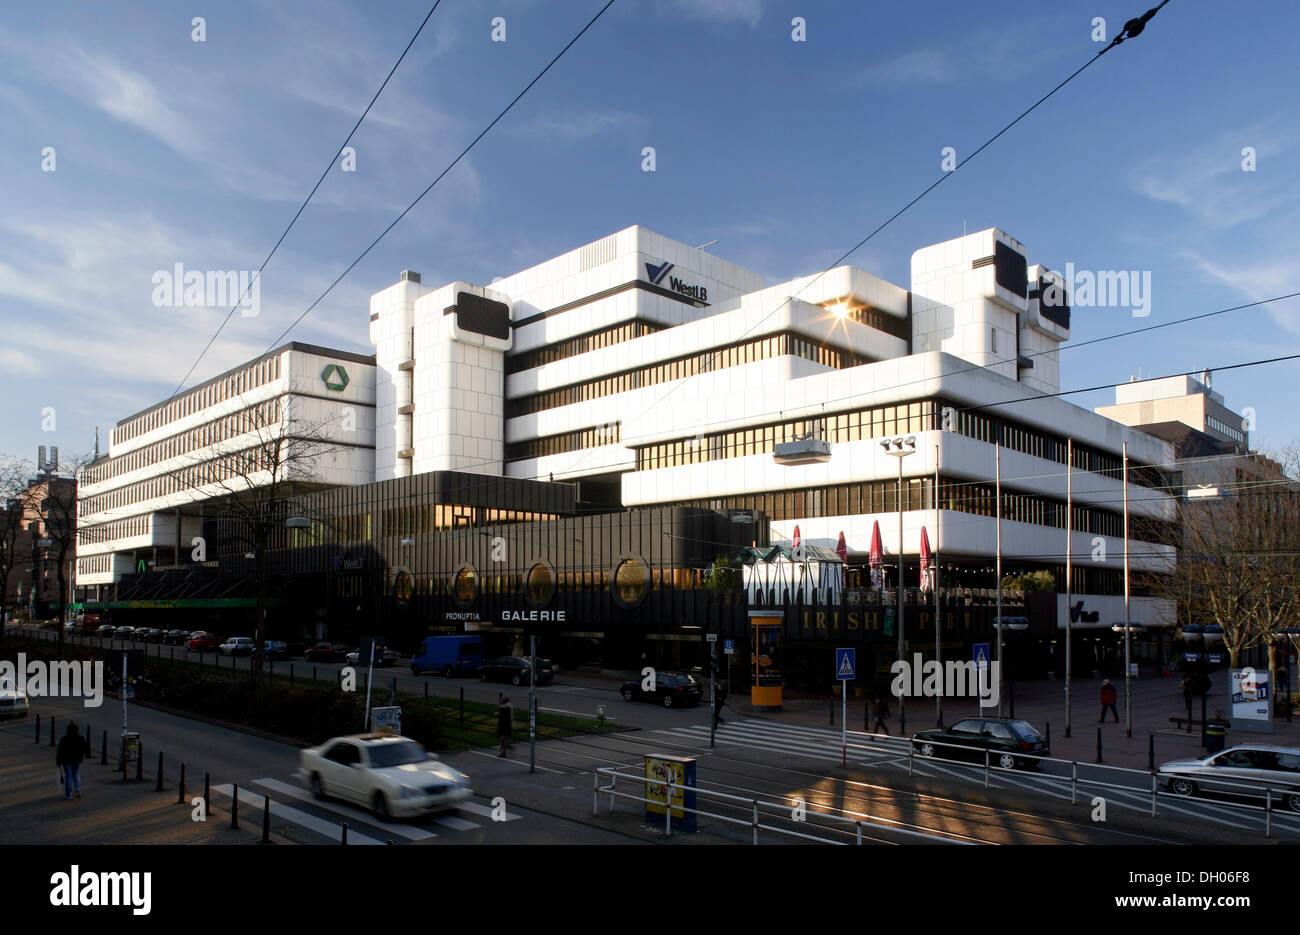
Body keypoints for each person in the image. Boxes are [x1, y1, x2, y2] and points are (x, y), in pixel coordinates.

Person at [56, 723, 87, 800]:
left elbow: (60, 751)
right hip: (77, 760)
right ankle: (77, 788)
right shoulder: (80, 738)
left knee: (68, 776)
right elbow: (84, 748)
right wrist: (81, 757)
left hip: (67, 760)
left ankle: (69, 794)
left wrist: (58, 761)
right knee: (76, 774)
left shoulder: (65, 739)